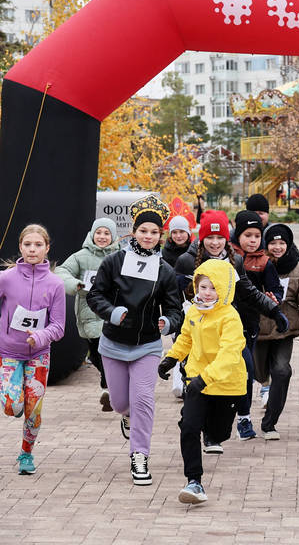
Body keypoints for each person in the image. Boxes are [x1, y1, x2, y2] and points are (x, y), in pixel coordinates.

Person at [87, 195, 184, 485]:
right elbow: (95, 295)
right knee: (119, 403)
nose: (149, 236)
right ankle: (126, 415)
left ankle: (139, 456)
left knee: (143, 399)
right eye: (144, 230)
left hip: (147, 345)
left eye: (154, 232)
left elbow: (175, 308)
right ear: (133, 231)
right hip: (114, 344)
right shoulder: (114, 261)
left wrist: (168, 322)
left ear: (160, 235)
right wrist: (111, 312)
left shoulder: (165, 270)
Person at [173, 210, 288, 453]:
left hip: (227, 330)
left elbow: (248, 291)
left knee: (244, 371)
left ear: (228, 238)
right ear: (201, 238)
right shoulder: (186, 260)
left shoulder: (234, 261)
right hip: (196, 333)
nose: (215, 243)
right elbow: (174, 297)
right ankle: (199, 426)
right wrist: (172, 321)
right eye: (210, 238)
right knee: (197, 382)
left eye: (220, 238)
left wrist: (274, 311)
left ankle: (229, 424)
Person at [158, 259, 245, 504]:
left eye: (213, 288)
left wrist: (206, 378)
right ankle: (194, 482)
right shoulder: (194, 311)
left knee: (218, 433)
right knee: (189, 428)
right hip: (197, 381)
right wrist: (171, 358)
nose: (206, 293)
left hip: (226, 385)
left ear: (225, 290)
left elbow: (229, 355)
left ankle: (201, 422)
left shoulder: (230, 318)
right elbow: (185, 338)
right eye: (202, 287)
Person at [0, 224, 65, 475]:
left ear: (47, 248)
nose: (32, 249)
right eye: (28, 245)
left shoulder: (55, 284)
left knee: (33, 409)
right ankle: (13, 399)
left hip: (39, 355)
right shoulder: (6, 279)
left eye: (38, 245)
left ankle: (26, 453)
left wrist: (40, 336)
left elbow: (59, 326)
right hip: (9, 353)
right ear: (20, 247)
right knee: (12, 406)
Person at [257, 223, 299, 439]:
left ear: (288, 244)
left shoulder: (298, 268)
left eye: (282, 243)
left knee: (281, 371)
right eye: (273, 243)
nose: (277, 247)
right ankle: (262, 386)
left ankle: (270, 423)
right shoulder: (257, 264)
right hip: (260, 328)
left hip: (285, 329)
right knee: (258, 372)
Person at [55, 217, 119, 411]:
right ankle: (112, 384)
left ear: (113, 236)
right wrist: (76, 285)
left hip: (112, 313)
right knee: (95, 355)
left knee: (107, 351)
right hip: (88, 313)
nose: (102, 236)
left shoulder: (121, 256)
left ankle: (108, 388)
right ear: (92, 234)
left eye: (106, 233)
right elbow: (61, 271)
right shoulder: (81, 256)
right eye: (98, 232)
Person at [230, 210, 284, 441]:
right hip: (222, 324)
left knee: (246, 371)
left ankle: (244, 418)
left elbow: (276, 289)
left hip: (250, 324)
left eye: (256, 235)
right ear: (237, 235)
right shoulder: (227, 256)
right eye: (247, 235)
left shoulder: (264, 262)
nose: (253, 240)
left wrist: (275, 299)